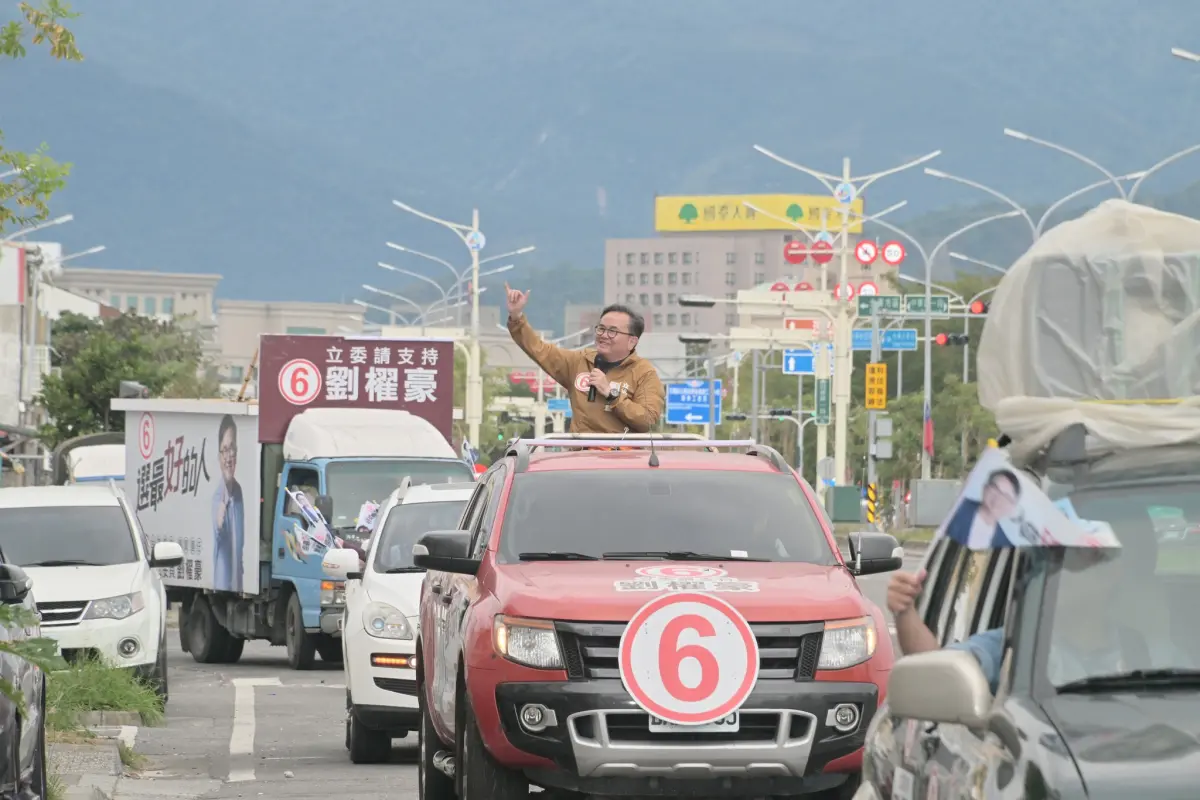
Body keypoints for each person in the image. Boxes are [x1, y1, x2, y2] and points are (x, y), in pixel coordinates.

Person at [887, 548, 1155, 695]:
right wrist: (905, 611)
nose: (1056, 568)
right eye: (1053, 557)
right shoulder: (1011, 648)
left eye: (1077, 557)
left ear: (1112, 573)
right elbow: (935, 669)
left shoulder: (1151, 656)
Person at [504, 284, 665, 434]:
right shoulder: (579, 361)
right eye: (601, 329)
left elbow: (648, 420)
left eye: (612, 331)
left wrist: (612, 394)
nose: (603, 335)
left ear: (632, 341)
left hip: (622, 459)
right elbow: (539, 349)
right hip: (581, 458)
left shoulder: (644, 372)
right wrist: (516, 315)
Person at [944, 468, 1021, 549]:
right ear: (985, 487)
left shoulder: (1006, 541)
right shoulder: (958, 509)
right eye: (995, 488)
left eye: (1006, 496)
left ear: (1011, 506)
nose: (998, 498)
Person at [212, 414, 245, 593]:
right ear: (219, 456)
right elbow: (218, 531)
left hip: (238, 585)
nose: (229, 456)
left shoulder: (239, 493)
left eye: (232, 448)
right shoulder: (217, 498)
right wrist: (220, 519)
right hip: (222, 586)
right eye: (224, 450)